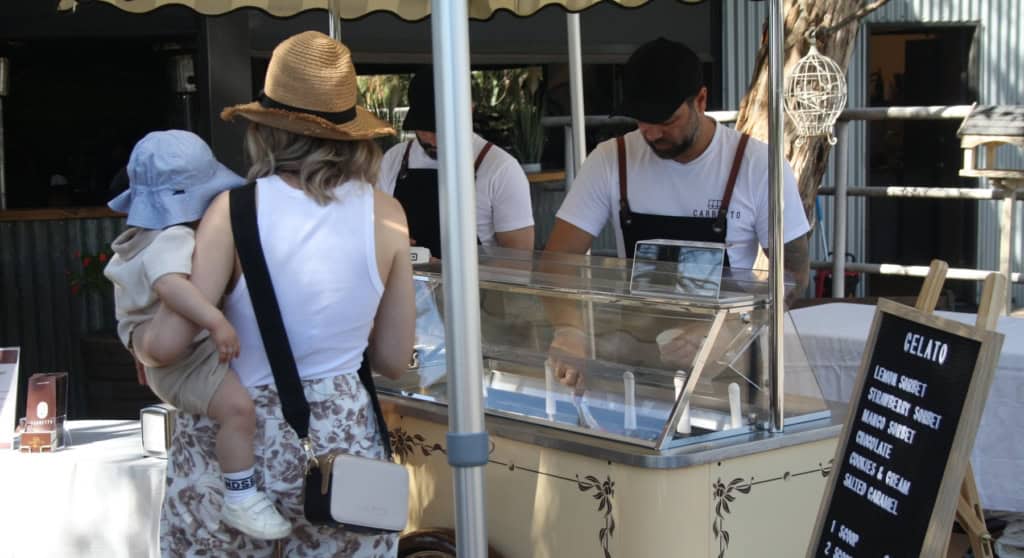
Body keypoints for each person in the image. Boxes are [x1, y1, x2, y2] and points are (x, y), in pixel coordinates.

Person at [151, 31, 415, 556]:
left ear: (267, 130)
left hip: (235, 444)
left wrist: (139, 336)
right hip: (340, 444)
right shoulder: (387, 215)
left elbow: (170, 341)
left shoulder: (233, 211)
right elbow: (392, 359)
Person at [544, 37, 811, 388]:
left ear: (701, 100)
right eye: (642, 120)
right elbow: (558, 260)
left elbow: (793, 274)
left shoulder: (757, 165)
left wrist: (733, 322)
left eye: (666, 120)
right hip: (634, 363)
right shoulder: (612, 160)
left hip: (726, 367)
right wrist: (569, 329)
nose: (652, 133)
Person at [103, 130, 291, 540]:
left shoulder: (142, 237)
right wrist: (215, 321)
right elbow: (171, 287)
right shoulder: (173, 237)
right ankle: (241, 496)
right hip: (184, 360)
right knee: (238, 410)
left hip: (164, 355)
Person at [376, 68, 535, 258]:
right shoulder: (394, 160)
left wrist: (445, 271)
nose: (433, 140)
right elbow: (374, 231)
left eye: (441, 127)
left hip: (475, 288)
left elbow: (519, 261)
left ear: (469, 111)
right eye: (425, 128)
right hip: (407, 284)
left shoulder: (500, 168)